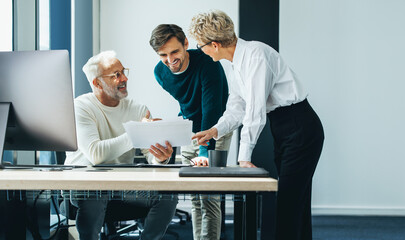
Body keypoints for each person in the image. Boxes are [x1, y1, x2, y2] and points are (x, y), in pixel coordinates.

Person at [189, 10, 325, 240]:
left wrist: (244, 157)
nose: (200, 50)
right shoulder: (234, 64)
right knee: (295, 203)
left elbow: (255, 110)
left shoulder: (256, 55)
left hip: (299, 126)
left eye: (200, 45)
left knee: (289, 203)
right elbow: (236, 108)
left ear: (213, 45)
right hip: (284, 127)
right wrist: (215, 130)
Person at [65, 50, 178, 240]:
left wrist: (160, 158)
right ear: (97, 83)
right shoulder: (81, 107)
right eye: (115, 75)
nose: (124, 78)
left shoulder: (138, 109)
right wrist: (137, 132)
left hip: (123, 184)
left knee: (167, 196)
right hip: (85, 183)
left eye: (123, 71)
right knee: (95, 193)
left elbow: (150, 155)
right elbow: (96, 154)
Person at [149, 24, 232, 240]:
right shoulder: (160, 73)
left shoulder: (208, 63)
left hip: (217, 127)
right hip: (190, 129)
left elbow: (210, 109)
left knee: (209, 195)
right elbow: (187, 102)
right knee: (195, 195)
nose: (170, 60)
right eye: (163, 55)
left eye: (174, 52)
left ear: (185, 43)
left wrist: (204, 151)